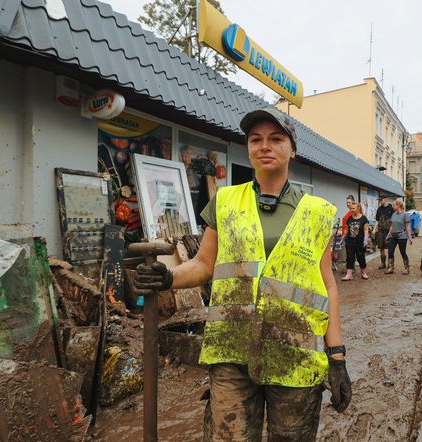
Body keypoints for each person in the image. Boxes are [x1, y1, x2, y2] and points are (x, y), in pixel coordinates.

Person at [134, 107, 351, 441]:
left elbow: (327, 285)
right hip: (231, 352)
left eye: (276, 139)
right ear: (248, 147)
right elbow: (204, 264)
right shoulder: (225, 201)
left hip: (294, 355)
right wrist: (168, 277)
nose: (265, 146)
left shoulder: (318, 212)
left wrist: (336, 357)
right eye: (255, 139)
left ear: (292, 149)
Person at [341, 202, 370, 281]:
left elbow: (366, 230)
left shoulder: (364, 219)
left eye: (353, 208)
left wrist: (365, 239)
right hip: (350, 241)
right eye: (351, 208)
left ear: (358, 208)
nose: (352, 210)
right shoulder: (350, 218)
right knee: (350, 257)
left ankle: (363, 273)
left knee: (361, 257)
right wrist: (343, 237)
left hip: (360, 241)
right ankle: (349, 274)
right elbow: (347, 229)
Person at [384, 199, 413, 275]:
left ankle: (407, 269)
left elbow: (407, 226)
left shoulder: (405, 215)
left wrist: (409, 236)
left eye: (394, 205)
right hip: (393, 236)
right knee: (390, 251)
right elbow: (392, 226)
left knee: (402, 252)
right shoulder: (393, 214)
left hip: (402, 236)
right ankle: (390, 268)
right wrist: (388, 235)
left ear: (398, 205)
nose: (393, 206)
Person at [372, 196, 394, 269]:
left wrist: (392, 230)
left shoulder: (391, 209)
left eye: (381, 200)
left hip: (389, 231)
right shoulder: (379, 209)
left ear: (385, 199)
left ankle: (390, 264)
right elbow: (377, 220)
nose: (380, 201)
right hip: (381, 230)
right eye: (379, 200)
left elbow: (394, 221)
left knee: (390, 247)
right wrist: (374, 229)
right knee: (381, 247)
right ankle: (382, 263)